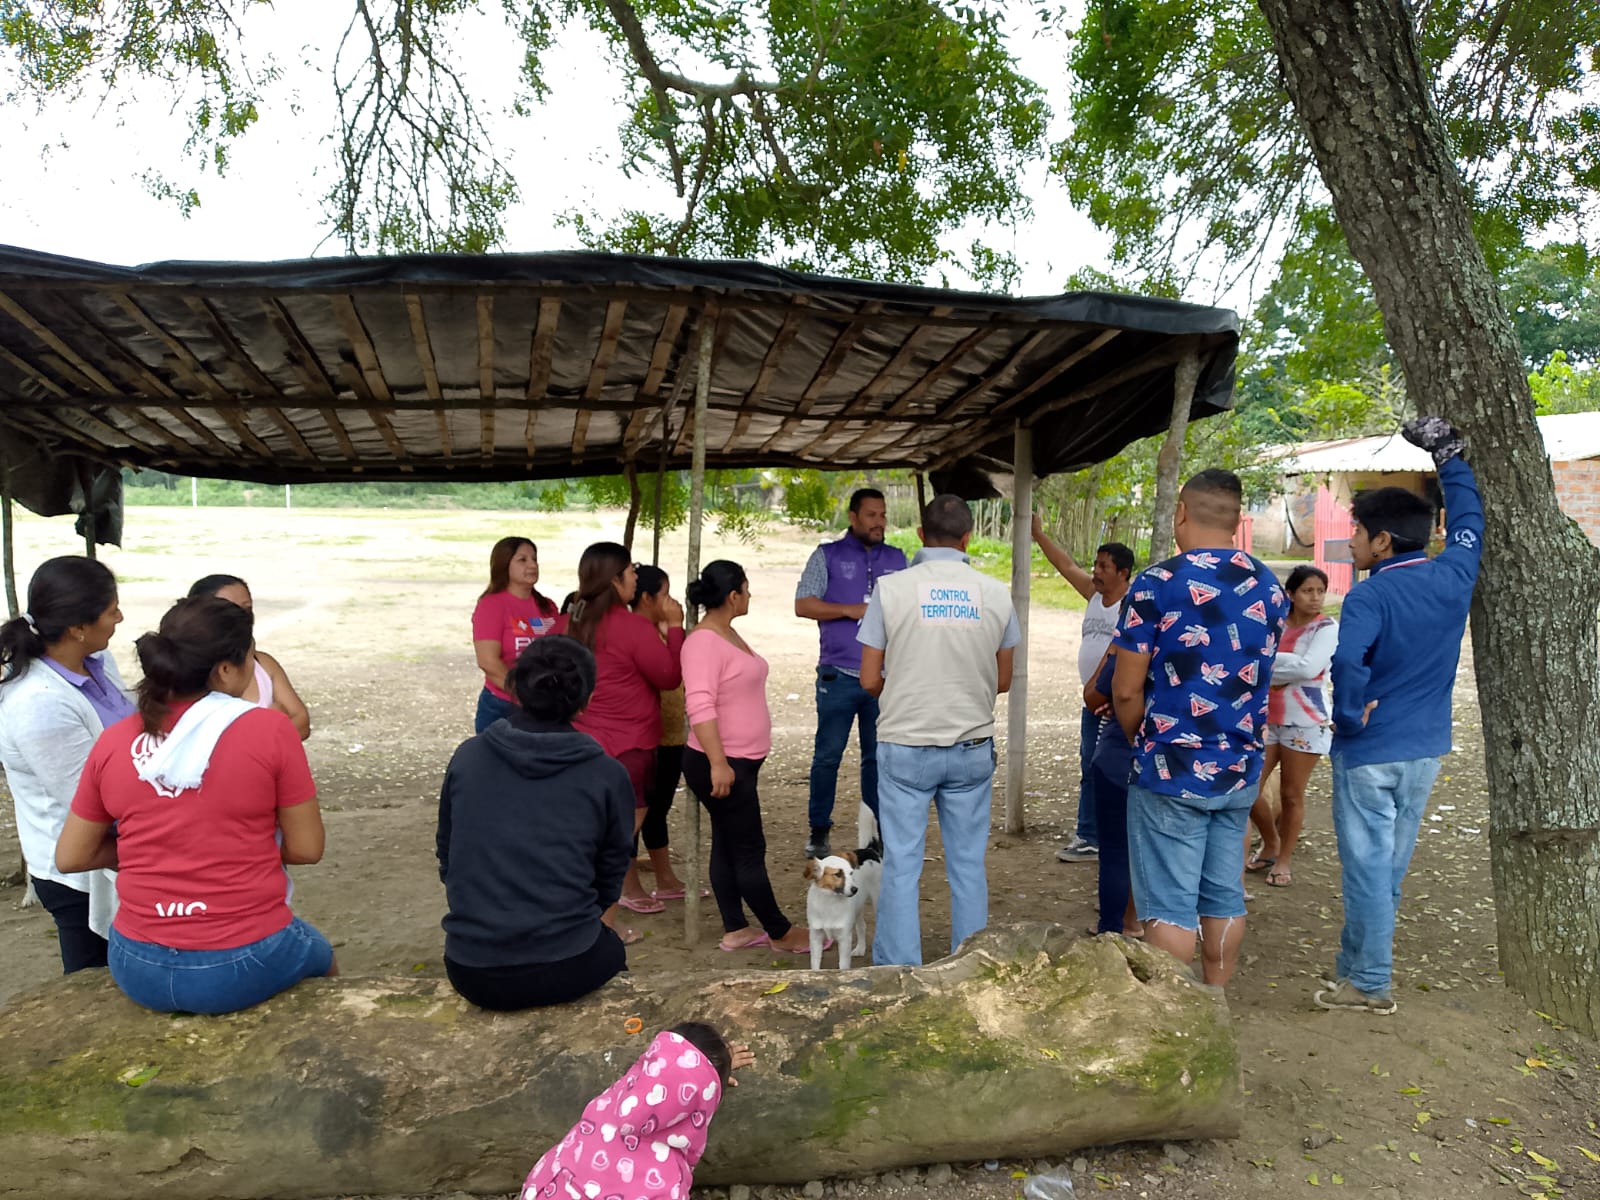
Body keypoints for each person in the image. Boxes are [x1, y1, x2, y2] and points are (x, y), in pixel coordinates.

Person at [54, 596, 335, 1014]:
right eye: (250, 658)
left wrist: (159, 851)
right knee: (321, 956)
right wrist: (229, 850)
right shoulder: (270, 729)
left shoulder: (115, 741)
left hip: (135, 961)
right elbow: (307, 848)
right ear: (225, 670)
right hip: (241, 960)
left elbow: (71, 856)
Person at [1315, 417, 1482, 1016]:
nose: (1352, 542)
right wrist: (1449, 459)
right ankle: (1353, 969)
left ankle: (1370, 983)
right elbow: (1469, 523)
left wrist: (1349, 718)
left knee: (1366, 872)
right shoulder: (1453, 574)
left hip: (1369, 751)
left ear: (1382, 541)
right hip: (1424, 751)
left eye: (1357, 533)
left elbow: (1347, 661)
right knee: (1385, 872)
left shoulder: (1370, 594)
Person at [1110, 469, 1287, 986]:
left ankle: (1176, 1017)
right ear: (1237, 519)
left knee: (1169, 904)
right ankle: (1215, 1001)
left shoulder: (1156, 584)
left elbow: (1125, 690)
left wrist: (1143, 741)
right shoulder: (1269, 586)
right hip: (1240, 767)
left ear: (1180, 512)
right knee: (1223, 896)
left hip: (1170, 768)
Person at [858, 494, 1020, 967]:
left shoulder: (891, 589)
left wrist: (903, 688)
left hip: (906, 743)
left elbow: (868, 678)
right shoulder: (995, 593)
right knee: (968, 864)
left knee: (902, 864)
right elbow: (1003, 679)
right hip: (971, 744)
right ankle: (970, 966)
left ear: (920, 534)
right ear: (968, 538)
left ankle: (899, 969)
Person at [436, 635, 634, 1009]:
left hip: (471, 966)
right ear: (588, 698)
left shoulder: (469, 757)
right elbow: (610, 873)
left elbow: (448, 857)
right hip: (566, 962)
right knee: (612, 953)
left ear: (515, 688)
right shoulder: (606, 774)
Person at [0, 556, 133, 973]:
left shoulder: (96, 663)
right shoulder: (39, 705)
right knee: (95, 983)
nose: (120, 618)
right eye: (112, 611)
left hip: (123, 846)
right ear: (78, 628)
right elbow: (93, 805)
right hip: (82, 876)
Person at [552, 542, 685, 937]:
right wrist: (675, 628)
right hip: (629, 748)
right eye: (630, 572)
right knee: (615, 842)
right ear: (615, 580)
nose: (634, 578)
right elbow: (668, 677)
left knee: (584, 837)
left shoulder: (565, 625)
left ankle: (576, 918)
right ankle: (601, 926)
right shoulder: (632, 627)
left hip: (577, 744)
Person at [681, 560, 813, 954]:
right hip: (722, 762)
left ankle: (736, 928)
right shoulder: (703, 642)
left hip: (738, 761)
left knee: (727, 842)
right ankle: (780, 932)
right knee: (748, 850)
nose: (750, 595)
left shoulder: (726, 632)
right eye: (747, 588)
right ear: (732, 595)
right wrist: (718, 762)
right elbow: (699, 705)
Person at [793, 487, 908, 858]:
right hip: (838, 675)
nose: (879, 522)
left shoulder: (898, 558)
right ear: (853, 517)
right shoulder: (826, 555)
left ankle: (876, 833)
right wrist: (850, 610)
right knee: (828, 756)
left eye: (883, 515)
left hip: (885, 678)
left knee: (878, 758)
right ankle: (819, 830)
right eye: (871, 515)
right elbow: (803, 604)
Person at [522, 1022, 754, 1200]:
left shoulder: (610, 1102)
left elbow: (668, 1070)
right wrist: (709, 1081)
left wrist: (706, 1074)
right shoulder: (668, 1180)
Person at [1031, 516, 1135, 864]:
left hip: (1115, 702)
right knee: (1090, 765)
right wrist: (1038, 534)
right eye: (1095, 564)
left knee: (1108, 767)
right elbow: (1064, 565)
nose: (1096, 571)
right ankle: (1090, 834)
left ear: (1123, 573)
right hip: (1093, 702)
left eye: (1104, 566)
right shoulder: (1093, 595)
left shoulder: (1131, 605)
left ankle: (1098, 834)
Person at [1245, 565, 1337, 888]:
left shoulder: (1326, 628)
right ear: (1291, 594)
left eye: (1320, 591)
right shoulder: (1275, 624)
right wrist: (1286, 668)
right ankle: (1270, 840)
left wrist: (1272, 669)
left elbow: (1309, 668)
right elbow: (1253, 659)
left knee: (1291, 793)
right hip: (1266, 717)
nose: (1315, 598)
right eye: (1308, 591)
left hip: (1306, 720)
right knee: (1248, 787)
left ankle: (1284, 858)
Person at [188, 573, 312, 740]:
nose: (241, 617)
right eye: (230, 609)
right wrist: (273, 724)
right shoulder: (189, 673)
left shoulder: (263, 663)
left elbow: (302, 723)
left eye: (247, 609)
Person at [629, 565, 690, 900]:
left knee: (657, 809)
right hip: (647, 736)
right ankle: (628, 885)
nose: (671, 600)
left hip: (672, 734)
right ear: (646, 597)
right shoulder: (638, 633)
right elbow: (668, 675)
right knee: (635, 811)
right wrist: (675, 629)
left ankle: (665, 878)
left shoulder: (662, 630)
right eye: (665, 594)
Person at [1081, 617, 1141, 938]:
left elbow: (1095, 695)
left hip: (1121, 756)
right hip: (1179, 762)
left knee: (1116, 852)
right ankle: (1138, 922)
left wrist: (1113, 649)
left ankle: (1113, 929)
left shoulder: (1134, 639)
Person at [471, 537, 559, 733]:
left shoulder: (548, 606)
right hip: (502, 707)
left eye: (534, 559)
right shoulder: (492, 605)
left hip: (544, 707)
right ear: (504, 565)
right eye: (522, 560)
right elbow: (488, 662)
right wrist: (525, 696)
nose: (532, 565)